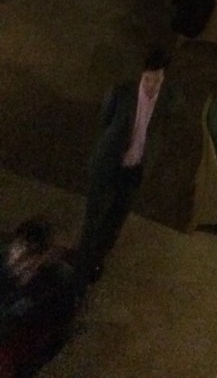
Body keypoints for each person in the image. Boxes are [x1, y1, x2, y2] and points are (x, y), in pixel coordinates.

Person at [75, 47, 173, 285]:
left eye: (157, 80)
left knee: (116, 217)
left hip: (135, 168)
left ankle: (97, 258)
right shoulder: (121, 92)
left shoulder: (168, 100)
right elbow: (104, 120)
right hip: (109, 163)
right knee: (94, 215)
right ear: (142, 74)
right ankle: (82, 264)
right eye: (148, 79)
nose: (151, 85)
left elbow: (162, 132)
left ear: (163, 78)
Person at [0, 218, 75, 375]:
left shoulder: (55, 282)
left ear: (43, 256)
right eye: (18, 246)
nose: (18, 258)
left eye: (29, 253)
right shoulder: (5, 265)